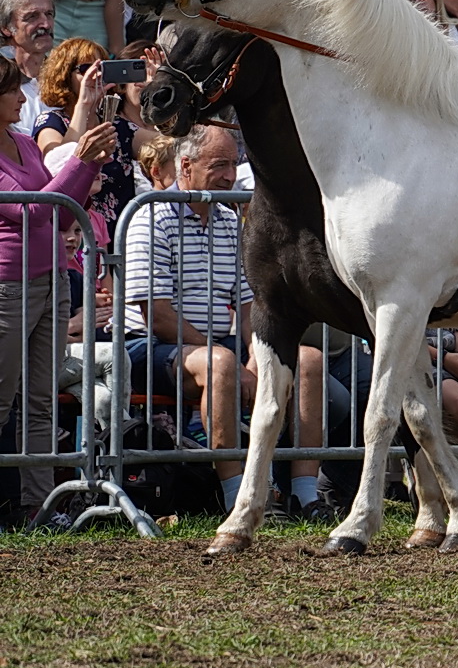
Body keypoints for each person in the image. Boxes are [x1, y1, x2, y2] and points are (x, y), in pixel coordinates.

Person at [124, 125, 331, 515]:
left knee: (309, 362)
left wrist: (258, 352)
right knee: (220, 366)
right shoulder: (150, 215)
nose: (230, 175)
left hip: (213, 345)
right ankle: (241, 498)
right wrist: (227, 356)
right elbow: (156, 315)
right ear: (185, 166)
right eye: (219, 164)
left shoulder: (227, 220)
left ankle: (306, 495)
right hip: (149, 349)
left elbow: (251, 305)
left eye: (234, 164)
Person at [0, 56, 113, 520]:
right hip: (7, 288)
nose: (22, 97)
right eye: (12, 90)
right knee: (1, 396)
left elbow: (64, 213)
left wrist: (87, 165)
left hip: (49, 283)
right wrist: (79, 160)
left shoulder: (24, 145)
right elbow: (31, 212)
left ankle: (37, 506)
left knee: (41, 400)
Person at [32, 39, 138, 238]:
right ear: (64, 75)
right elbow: (59, 163)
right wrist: (83, 104)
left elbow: (163, 147)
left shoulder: (118, 125)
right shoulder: (50, 122)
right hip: (74, 236)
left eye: (101, 68)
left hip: (118, 236)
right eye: (85, 69)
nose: (95, 75)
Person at [0, 0, 57, 135]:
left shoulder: (66, 77)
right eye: (32, 17)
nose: (45, 24)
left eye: (49, 14)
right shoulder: (2, 81)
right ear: (6, 28)